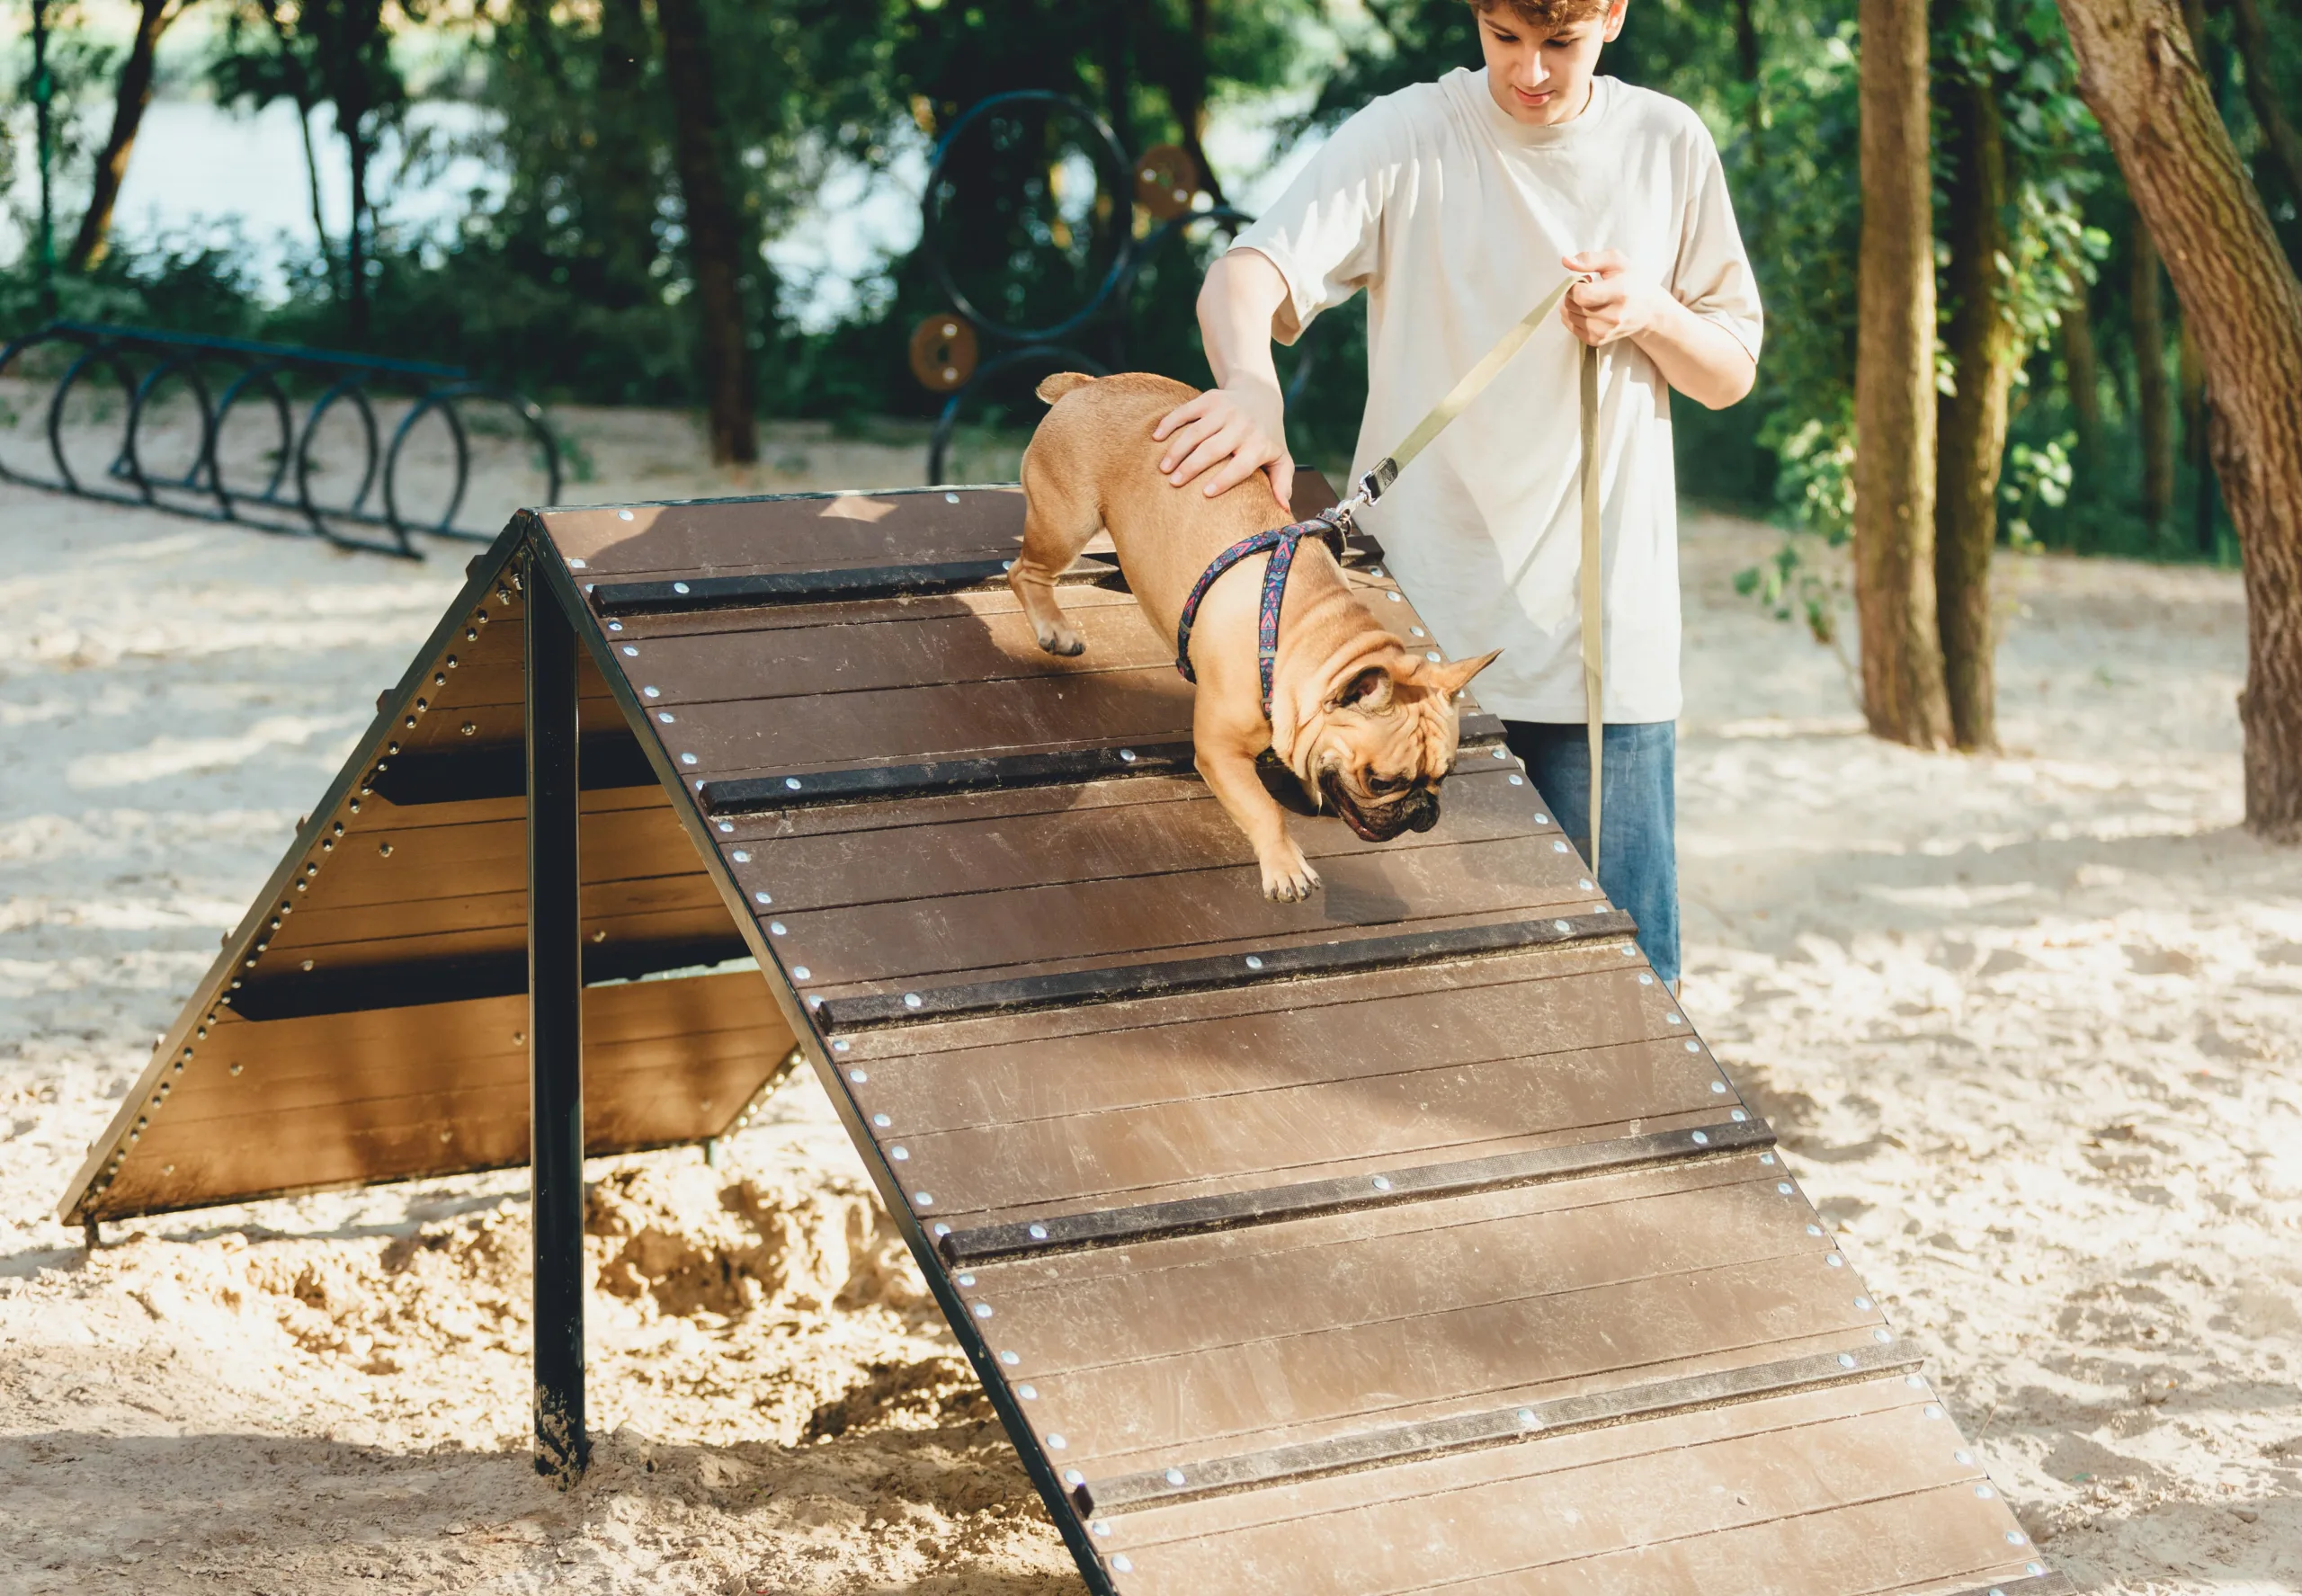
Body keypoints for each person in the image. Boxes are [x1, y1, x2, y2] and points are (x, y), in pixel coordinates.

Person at [1152, 0, 1761, 988]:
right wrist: (1250, 386)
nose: (1527, 72)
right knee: (1414, 996)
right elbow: (1244, 274)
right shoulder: (1411, 135)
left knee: (1630, 987)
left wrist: (1650, 309)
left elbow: (1728, 370)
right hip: (1397, 654)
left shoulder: (1667, 142)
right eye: (1502, 37)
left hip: (1604, 649)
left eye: (1558, 44)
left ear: (1611, 14)